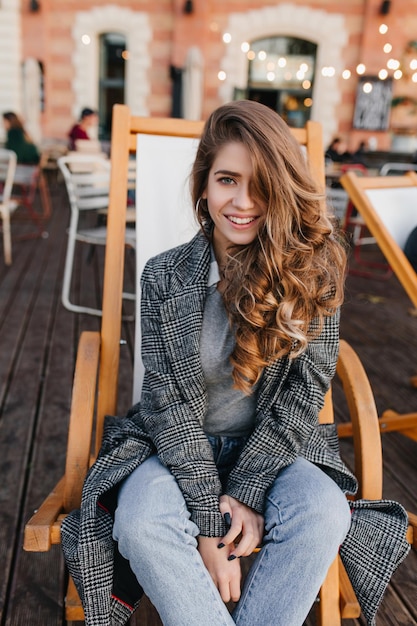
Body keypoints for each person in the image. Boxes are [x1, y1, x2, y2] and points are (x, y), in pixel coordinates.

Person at [61, 100, 410, 626]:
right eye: (227, 179)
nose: (243, 202)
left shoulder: (314, 273)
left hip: (278, 451)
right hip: (173, 449)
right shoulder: (165, 276)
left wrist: (245, 492)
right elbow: (167, 402)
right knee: (139, 522)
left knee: (323, 511)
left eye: (261, 184)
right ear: (204, 185)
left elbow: (301, 397)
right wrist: (207, 518)